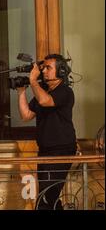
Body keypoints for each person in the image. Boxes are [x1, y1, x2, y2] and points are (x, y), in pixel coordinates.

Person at [17, 54, 77, 210]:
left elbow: (46, 101)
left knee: (46, 197)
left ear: (61, 71)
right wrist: (21, 92)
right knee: (49, 197)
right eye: (42, 68)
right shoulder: (42, 90)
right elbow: (26, 115)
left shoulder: (65, 91)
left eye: (48, 68)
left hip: (61, 150)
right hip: (45, 150)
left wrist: (32, 81)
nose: (43, 71)